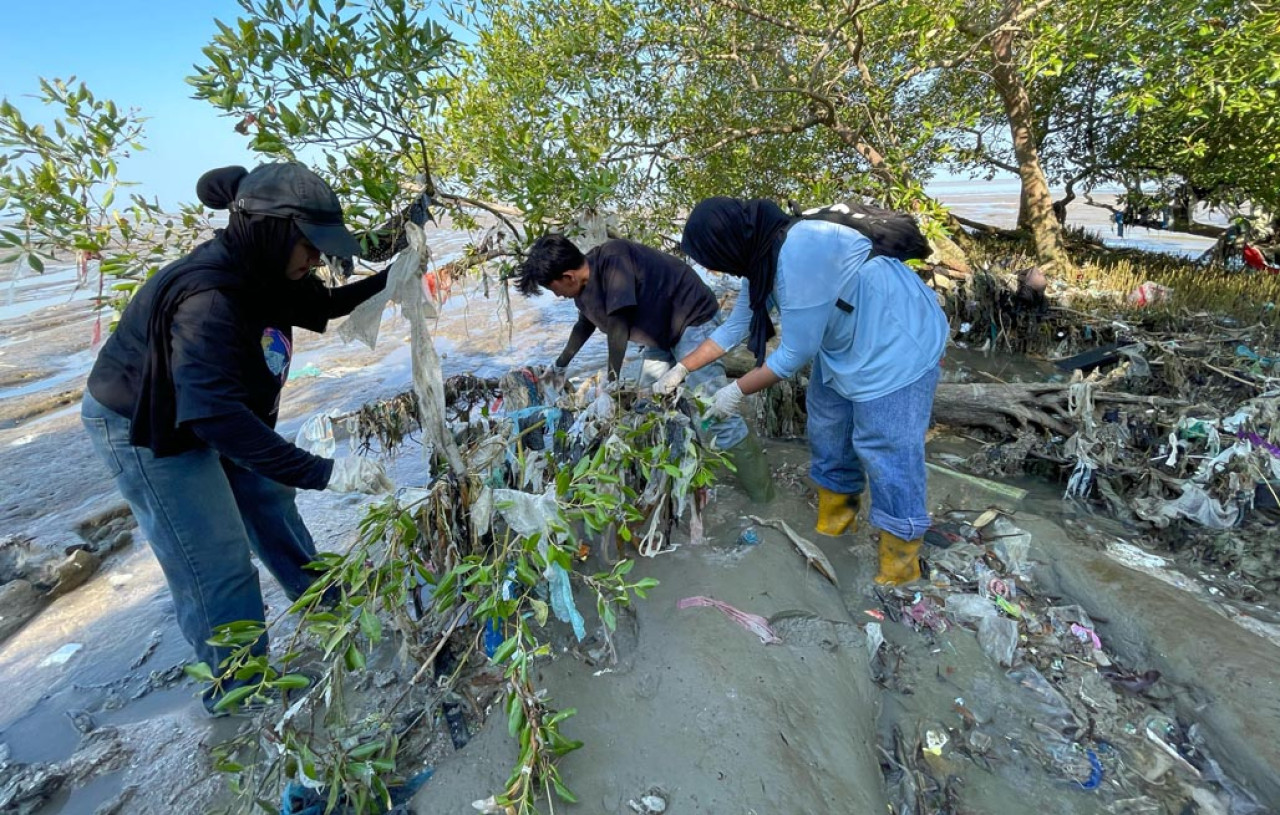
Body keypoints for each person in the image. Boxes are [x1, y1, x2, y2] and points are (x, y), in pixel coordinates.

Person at [81, 162, 395, 714]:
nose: (318, 259)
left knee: (271, 502)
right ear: (272, 231)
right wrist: (325, 471)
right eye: (310, 245)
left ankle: (328, 606)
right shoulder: (209, 300)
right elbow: (215, 417)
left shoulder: (270, 270)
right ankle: (241, 695)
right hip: (149, 425)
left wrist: (395, 275)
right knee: (216, 559)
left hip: (214, 410)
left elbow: (324, 305)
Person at [661, 197, 948, 585]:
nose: (712, 268)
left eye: (711, 257)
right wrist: (681, 368)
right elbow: (732, 329)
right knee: (829, 431)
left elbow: (793, 355)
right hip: (847, 341)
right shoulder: (761, 258)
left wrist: (733, 393)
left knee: (887, 452)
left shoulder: (799, 253)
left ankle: (900, 565)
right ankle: (835, 525)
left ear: (728, 241)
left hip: (896, 343)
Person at [514, 233, 773, 501]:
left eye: (553, 288)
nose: (556, 295)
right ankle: (685, 477)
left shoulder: (614, 260)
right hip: (659, 334)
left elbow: (619, 324)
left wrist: (611, 382)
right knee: (650, 409)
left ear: (568, 276)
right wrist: (559, 367)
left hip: (692, 320)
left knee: (714, 410)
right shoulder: (582, 289)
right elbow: (584, 324)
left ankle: (763, 497)